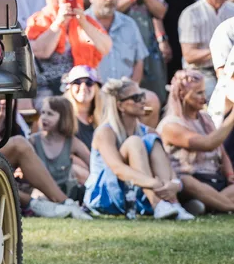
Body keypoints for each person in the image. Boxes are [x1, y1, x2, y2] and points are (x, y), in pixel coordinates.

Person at [84, 77, 194, 220]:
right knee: (134, 142)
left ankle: (172, 203)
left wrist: (173, 184)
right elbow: (118, 169)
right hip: (104, 194)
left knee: (152, 140)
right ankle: (157, 204)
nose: (143, 101)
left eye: (142, 96)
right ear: (120, 106)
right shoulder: (105, 132)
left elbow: (168, 168)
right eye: (136, 98)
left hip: (134, 190)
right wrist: (153, 182)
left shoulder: (149, 132)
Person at [0, 98, 89, 219]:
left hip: (1, 182)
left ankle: (59, 204)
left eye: (6, 97)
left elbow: (91, 161)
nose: (3, 102)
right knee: (19, 145)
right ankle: (58, 203)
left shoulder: (15, 129)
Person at [159, 69, 234, 214]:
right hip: (193, 180)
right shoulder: (170, 125)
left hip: (215, 179)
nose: (204, 98)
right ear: (182, 94)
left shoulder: (205, 118)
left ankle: (209, 204)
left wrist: (230, 175)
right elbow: (208, 144)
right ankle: (226, 206)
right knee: (187, 182)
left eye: (204, 92)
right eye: (199, 93)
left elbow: (221, 152)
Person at [26, 0, 111, 98]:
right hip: (50, 89)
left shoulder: (85, 20)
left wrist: (83, 23)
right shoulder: (39, 20)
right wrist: (59, 22)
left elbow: (105, 48)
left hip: (83, 86)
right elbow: (41, 52)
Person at [85, 0, 156, 124]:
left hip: (125, 91)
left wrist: (132, 89)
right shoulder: (81, 23)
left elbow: (139, 61)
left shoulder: (129, 24)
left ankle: (146, 142)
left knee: (152, 101)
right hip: (92, 91)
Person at [112, 0, 169, 104]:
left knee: (154, 93)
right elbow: (109, 9)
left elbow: (161, 12)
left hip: (148, 43)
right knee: (125, 93)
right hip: (120, 43)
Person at [177, 0, 234, 98]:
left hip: (229, 69)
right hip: (200, 72)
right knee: (214, 95)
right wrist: (220, 51)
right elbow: (189, 55)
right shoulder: (191, 14)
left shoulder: (232, 10)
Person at [28, 95, 91, 200]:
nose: (44, 117)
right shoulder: (33, 141)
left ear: (63, 117)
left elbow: (93, 164)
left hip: (65, 193)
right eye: (43, 113)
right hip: (40, 193)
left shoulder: (72, 142)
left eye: (50, 114)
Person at [62, 65, 102, 150]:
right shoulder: (62, 117)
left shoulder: (105, 117)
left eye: (89, 82)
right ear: (69, 87)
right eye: (77, 82)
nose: (83, 87)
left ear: (96, 88)